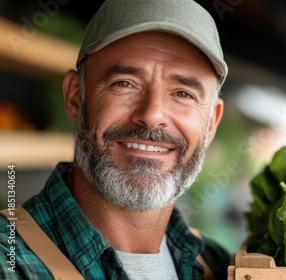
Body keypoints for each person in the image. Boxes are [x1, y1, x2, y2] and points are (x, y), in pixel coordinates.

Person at [0, 0, 231, 279]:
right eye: (124, 83)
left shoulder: (220, 265)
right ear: (76, 97)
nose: (152, 115)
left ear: (211, 123)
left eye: (183, 93)